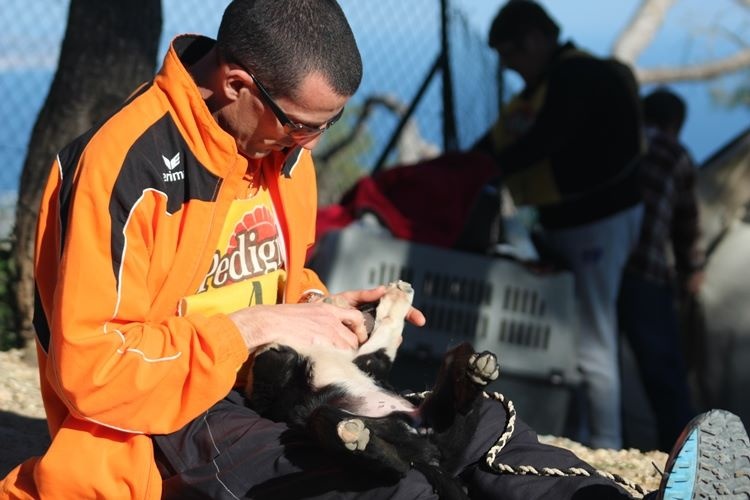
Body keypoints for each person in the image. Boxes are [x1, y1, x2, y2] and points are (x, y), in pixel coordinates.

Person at [1, 1, 748, 499]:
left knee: (471, 422)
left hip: (278, 379)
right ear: (236, 85)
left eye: (323, 128)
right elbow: (93, 369)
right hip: (176, 420)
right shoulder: (126, 167)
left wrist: (320, 308)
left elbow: (277, 278)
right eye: (302, 126)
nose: (310, 147)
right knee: (392, 477)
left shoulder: (278, 150)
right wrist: (256, 329)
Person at [472, 0, 644, 450]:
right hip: (570, 223)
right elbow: (503, 139)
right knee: (585, 331)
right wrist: (465, 164)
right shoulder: (543, 86)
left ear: (532, 41)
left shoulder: (579, 76)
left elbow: (542, 141)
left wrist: (484, 167)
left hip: (598, 222)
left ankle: (606, 444)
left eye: (511, 56)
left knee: (593, 334)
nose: (510, 68)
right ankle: (592, 435)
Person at [618, 87, 704, 452]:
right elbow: (687, 226)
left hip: (593, 264)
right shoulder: (676, 153)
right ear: (675, 123)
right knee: (665, 375)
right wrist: (692, 272)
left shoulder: (621, 136)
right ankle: (684, 453)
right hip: (645, 273)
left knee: (597, 365)